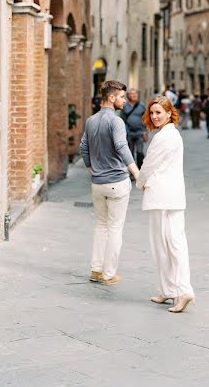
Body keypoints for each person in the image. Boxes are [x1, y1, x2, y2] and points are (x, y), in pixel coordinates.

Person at [137, 96, 195, 313]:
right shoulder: (174, 135)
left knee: (164, 246)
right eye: (152, 113)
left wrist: (140, 183)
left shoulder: (163, 137)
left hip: (159, 195)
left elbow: (148, 164)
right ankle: (169, 289)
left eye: (159, 112)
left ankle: (181, 290)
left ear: (170, 113)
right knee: (173, 242)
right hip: (174, 196)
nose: (154, 116)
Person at [80, 80, 139, 286]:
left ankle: (96, 270)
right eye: (122, 97)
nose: (124, 100)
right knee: (115, 228)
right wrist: (136, 172)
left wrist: (91, 167)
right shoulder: (116, 121)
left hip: (97, 183)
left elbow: (83, 146)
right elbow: (122, 146)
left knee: (101, 226)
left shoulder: (91, 120)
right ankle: (108, 274)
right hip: (116, 182)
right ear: (111, 98)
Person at [120, 88, 148, 169]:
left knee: (140, 153)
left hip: (140, 133)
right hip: (129, 133)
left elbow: (146, 120)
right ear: (128, 96)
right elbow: (122, 120)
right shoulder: (125, 106)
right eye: (132, 94)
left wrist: (145, 132)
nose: (134, 95)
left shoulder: (141, 106)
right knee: (130, 154)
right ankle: (132, 173)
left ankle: (140, 171)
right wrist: (125, 132)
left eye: (135, 94)